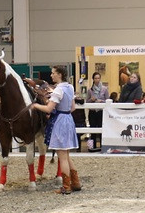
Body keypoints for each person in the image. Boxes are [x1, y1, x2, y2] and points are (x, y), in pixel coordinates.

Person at [31, 65, 82, 194]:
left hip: (60, 122)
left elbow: (48, 109)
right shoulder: (69, 87)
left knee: (62, 157)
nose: (51, 75)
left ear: (59, 74)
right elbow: (72, 107)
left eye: (53, 73)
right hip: (68, 119)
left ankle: (66, 186)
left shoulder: (59, 90)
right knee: (67, 155)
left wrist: (35, 105)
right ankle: (75, 183)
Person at [85, 71, 108, 151]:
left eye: (98, 78)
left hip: (101, 111)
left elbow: (108, 101)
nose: (97, 80)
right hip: (92, 112)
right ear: (93, 79)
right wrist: (91, 99)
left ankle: (102, 146)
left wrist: (101, 101)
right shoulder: (90, 90)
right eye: (95, 78)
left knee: (102, 129)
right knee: (92, 129)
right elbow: (86, 102)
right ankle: (92, 147)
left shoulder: (104, 89)